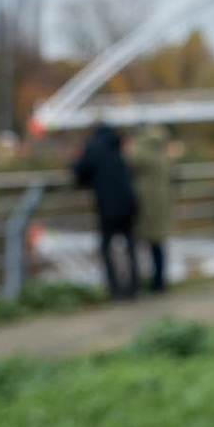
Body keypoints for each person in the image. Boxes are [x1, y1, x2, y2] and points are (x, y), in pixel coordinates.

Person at [72, 122, 138, 300]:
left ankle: (114, 289)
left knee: (106, 248)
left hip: (107, 206)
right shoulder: (118, 146)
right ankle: (133, 287)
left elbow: (80, 172)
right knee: (130, 246)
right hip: (128, 203)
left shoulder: (93, 147)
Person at [126, 124, 178, 292]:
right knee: (157, 244)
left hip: (144, 205)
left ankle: (142, 281)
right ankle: (159, 281)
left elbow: (129, 161)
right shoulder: (162, 155)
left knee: (142, 244)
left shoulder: (142, 153)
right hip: (161, 204)